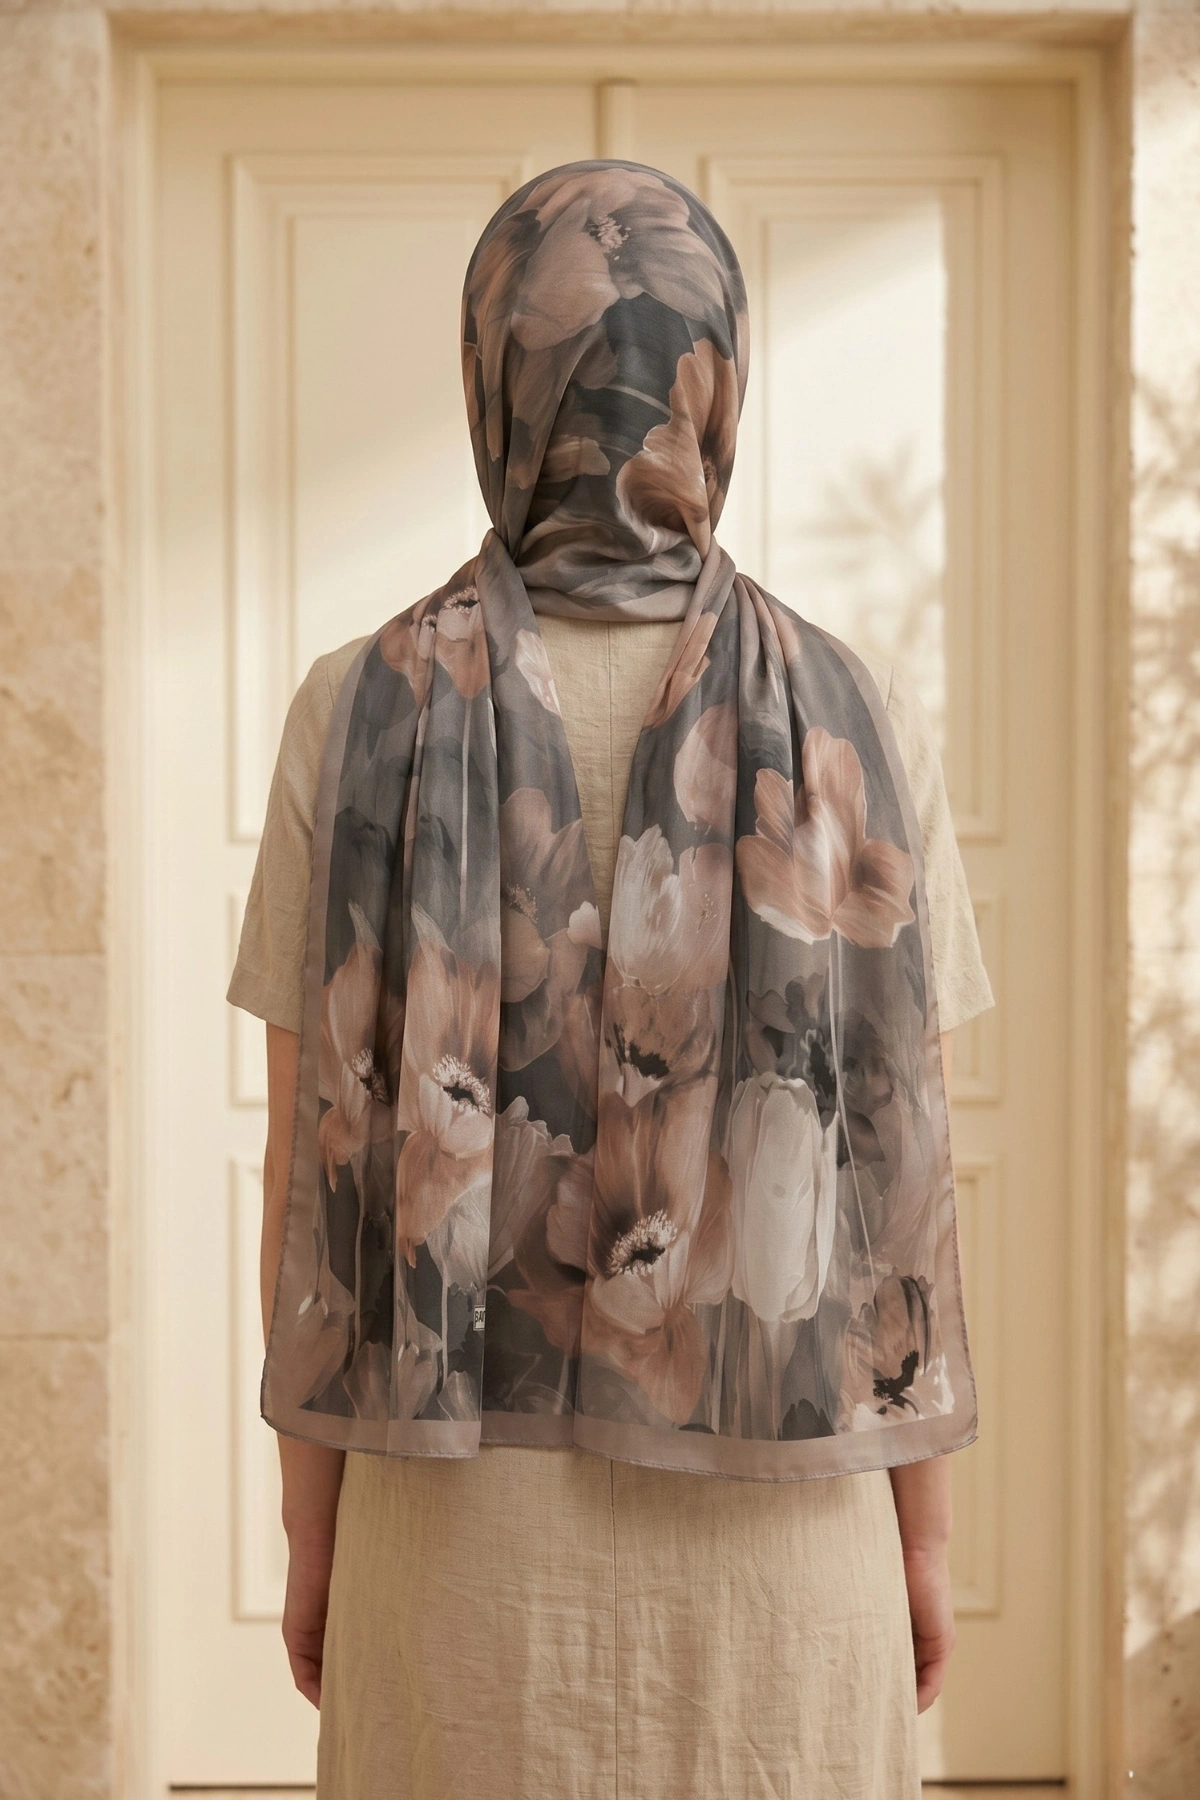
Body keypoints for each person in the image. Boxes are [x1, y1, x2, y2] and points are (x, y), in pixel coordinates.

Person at [228, 158, 995, 1800]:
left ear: (492, 379)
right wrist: (925, 1539)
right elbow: (901, 1167)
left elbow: (315, 1173)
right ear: (713, 388)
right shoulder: (855, 709)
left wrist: (314, 1529)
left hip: (452, 1524)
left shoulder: (351, 708)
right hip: (790, 1516)